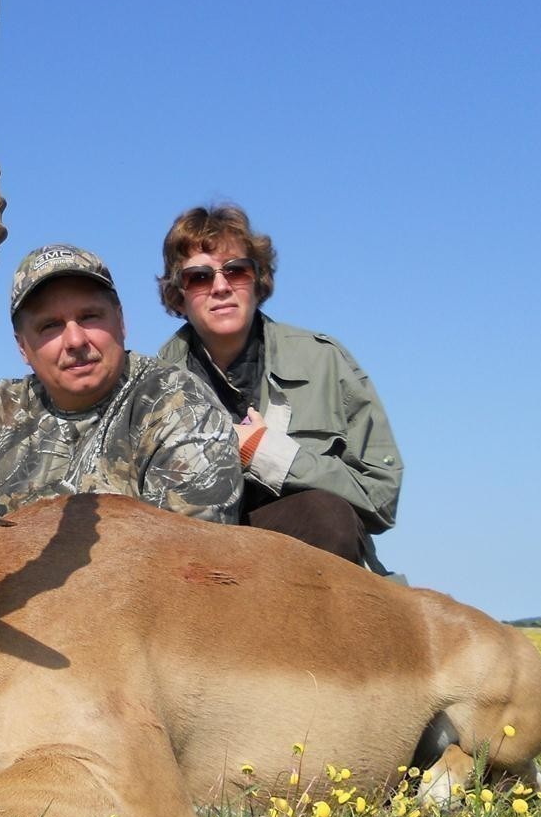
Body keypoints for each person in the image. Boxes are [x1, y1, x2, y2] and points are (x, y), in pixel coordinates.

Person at [0, 243, 242, 524]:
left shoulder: (178, 404)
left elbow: (185, 559)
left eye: (89, 317)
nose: (74, 339)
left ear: (121, 321)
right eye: (50, 326)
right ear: (23, 348)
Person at [155, 205, 402, 569]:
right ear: (178, 294)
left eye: (236, 271)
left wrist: (268, 454)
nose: (220, 287)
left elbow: (381, 498)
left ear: (259, 280)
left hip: (314, 574)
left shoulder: (324, 362)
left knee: (325, 517)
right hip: (198, 572)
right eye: (199, 277)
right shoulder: (152, 388)